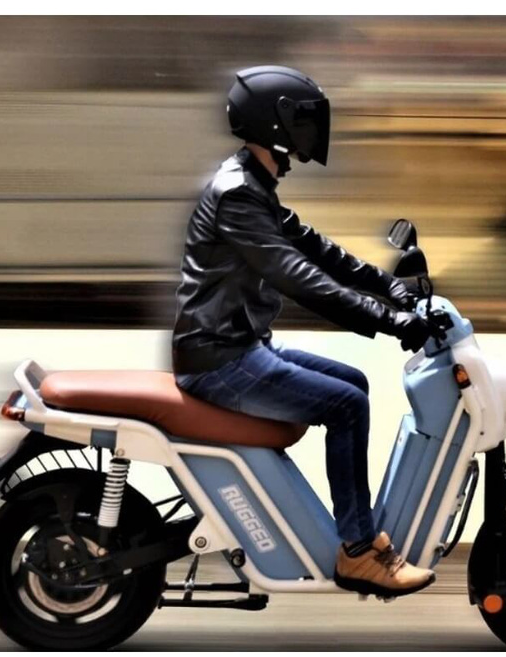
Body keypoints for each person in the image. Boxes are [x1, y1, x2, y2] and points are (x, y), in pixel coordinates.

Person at [171, 65, 435, 597]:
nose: (314, 129)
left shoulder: (253, 186)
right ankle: (357, 552)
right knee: (347, 405)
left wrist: (394, 288)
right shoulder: (238, 195)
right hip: (220, 361)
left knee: (354, 384)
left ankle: (357, 530)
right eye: (307, 118)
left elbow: (319, 250)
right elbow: (298, 277)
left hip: (237, 347)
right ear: (278, 121)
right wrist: (389, 320)